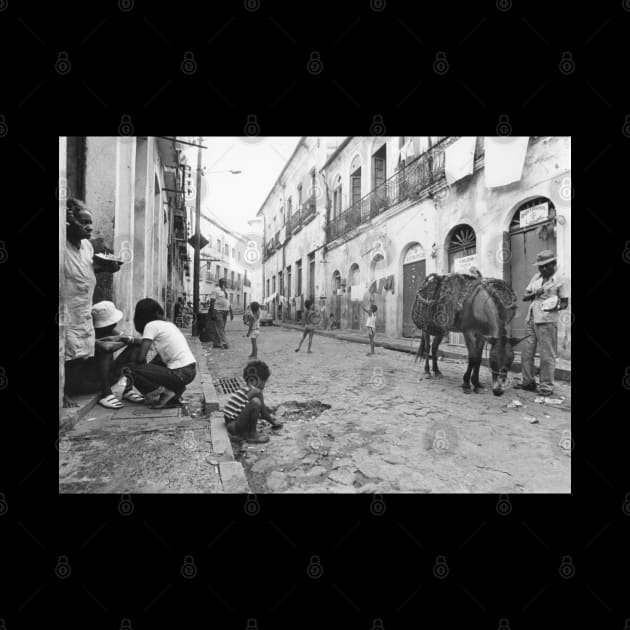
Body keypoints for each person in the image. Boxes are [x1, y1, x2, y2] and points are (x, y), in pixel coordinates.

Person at [63, 198, 122, 407]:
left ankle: (69, 387)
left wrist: (105, 268)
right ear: (68, 222)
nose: (89, 227)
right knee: (65, 350)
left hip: (83, 309)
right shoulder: (62, 245)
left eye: (90, 223)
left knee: (79, 351)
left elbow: (83, 272)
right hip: (65, 309)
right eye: (83, 222)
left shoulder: (87, 247)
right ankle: (63, 392)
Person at [65, 301, 145, 408]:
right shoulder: (87, 334)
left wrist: (124, 338)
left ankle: (128, 390)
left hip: (106, 377)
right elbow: (107, 347)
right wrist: (124, 340)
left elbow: (141, 342)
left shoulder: (111, 332)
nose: (115, 324)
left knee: (135, 347)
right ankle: (106, 394)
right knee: (105, 352)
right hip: (87, 382)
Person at [123, 298, 197, 408]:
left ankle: (164, 393)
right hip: (190, 371)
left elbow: (141, 358)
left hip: (179, 373)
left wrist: (143, 370)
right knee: (157, 360)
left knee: (129, 369)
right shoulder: (168, 324)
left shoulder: (151, 325)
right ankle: (175, 391)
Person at [514, 250, 570, 396]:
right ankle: (528, 382)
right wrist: (535, 293)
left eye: (546, 266)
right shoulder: (536, 278)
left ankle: (546, 387)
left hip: (547, 320)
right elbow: (525, 297)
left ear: (553, 264)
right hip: (531, 318)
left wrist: (552, 305)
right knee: (527, 352)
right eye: (540, 266)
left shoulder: (562, 279)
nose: (543, 269)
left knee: (547, 355)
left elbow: (564, 303)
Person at [223, 360, 283, 443]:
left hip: (230, 424)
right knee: (256, 402)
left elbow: (244, 410)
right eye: (264, 382)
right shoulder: (256, 391)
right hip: (234, 427)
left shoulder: (245, 389)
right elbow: (264, 413)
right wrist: (274, 423)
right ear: (255, 381)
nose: (264, 386)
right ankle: (252, 435)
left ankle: (246, 433)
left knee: (255, 404)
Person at [209, 278, 233, 349]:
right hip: (218, 311)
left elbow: (228, 302)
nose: (224, 284)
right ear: (219, 283)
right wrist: (212, 312)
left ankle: (216, 343)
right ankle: (225, 343)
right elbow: (212, 301)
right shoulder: (215, 290)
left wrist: (231, 312)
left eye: (225, 282)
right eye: (222, 282)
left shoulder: (227, 291)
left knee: (220, 328)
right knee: (220, 327)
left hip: (225, 312)